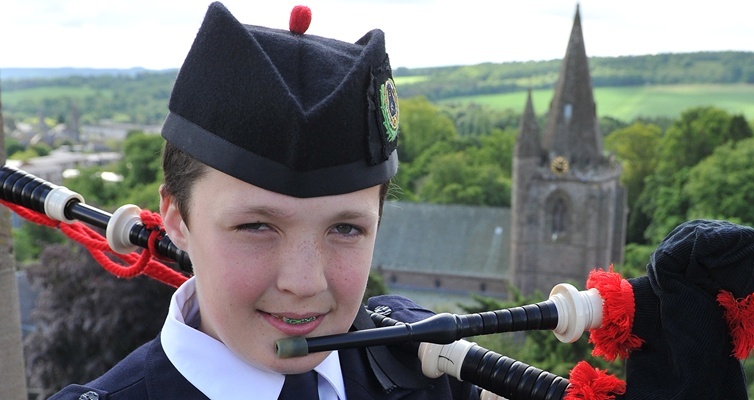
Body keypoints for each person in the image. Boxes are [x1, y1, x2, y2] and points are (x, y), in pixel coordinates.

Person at [50, 2, 477, 399]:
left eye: (346, 228)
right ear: (177, 219)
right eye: (256, 226)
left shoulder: (433, 375)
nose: (305, 283)